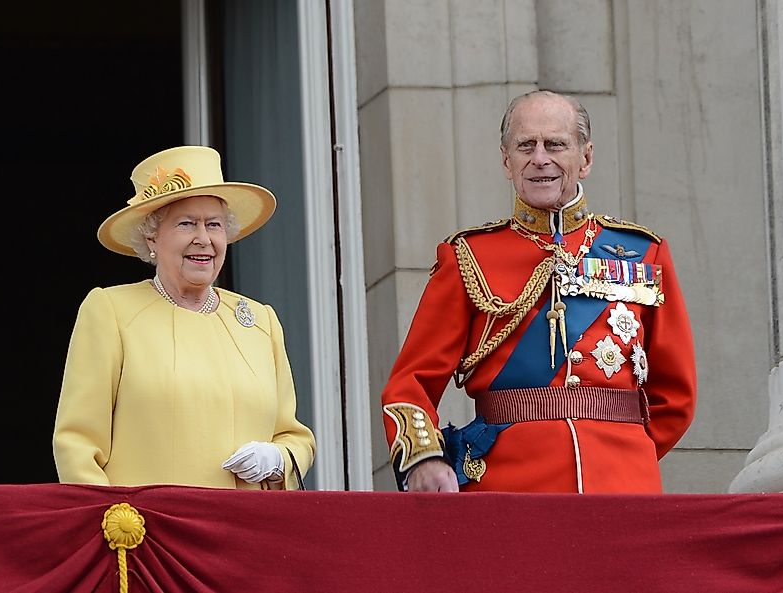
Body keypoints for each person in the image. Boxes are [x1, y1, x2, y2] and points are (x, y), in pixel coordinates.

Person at [381, 90, 696, 493]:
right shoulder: (468, 256)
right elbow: (411, 383)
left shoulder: (642, 253)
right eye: (525, 145)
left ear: (585, 158)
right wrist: (423, 458)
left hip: (623, 484)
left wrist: (626, 453)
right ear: (506, 161)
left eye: (556, 144)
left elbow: (676, 393)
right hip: (507, 489)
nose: (540, 158)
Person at [53, 145, 315, 490]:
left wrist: (278, 459)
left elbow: (294, 436)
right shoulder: (111, 311)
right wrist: (111, 526)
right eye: (187, 223)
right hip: (151, 533)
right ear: (152, 238)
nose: (203, 239)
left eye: (215, 225)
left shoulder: (259, 321)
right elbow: (78, 444)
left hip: (247, 531)